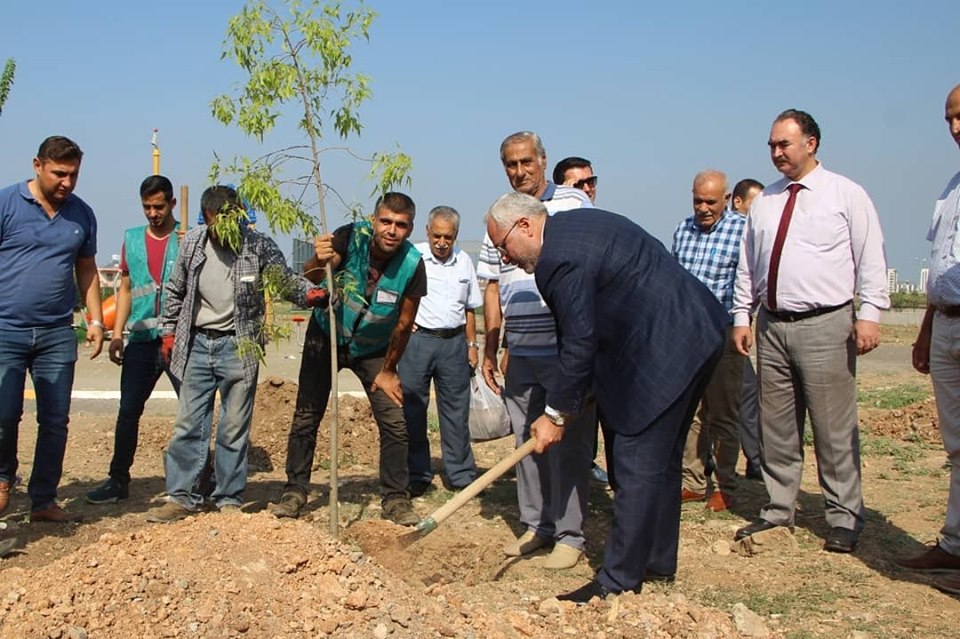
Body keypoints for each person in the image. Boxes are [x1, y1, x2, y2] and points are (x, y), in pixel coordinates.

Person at [485, 192, 726, 601]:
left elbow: (578, 340)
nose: (504, 257)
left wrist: (556, 412)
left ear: (524, 225)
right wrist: (578, 396)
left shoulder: (556, 260)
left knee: (634, 460)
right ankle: (657, 562)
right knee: (664, 462)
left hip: (665, 349)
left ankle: (617, 580)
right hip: (699, 330)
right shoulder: (578, 228)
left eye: (502, 245)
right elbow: (595, 325)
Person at [731, 109, 889, 553]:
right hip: (773, 326)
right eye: (772, 146)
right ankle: (780, 508)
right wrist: (742, 317)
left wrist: (870, 312)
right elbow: (749, 265)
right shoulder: (766, 201)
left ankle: (843, 516)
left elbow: (870, 255)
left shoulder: (845, 194)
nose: (777, 153)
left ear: (812, 143)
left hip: (826, 324)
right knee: (776, 426)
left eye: (784, 144)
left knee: (832, 428)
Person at [146, 185, 327, 522]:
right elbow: (175, 289)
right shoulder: (193, 243)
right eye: (218, 224)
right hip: (198, 344)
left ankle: (228, 498)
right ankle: (182, 496)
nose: (225, 230)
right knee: (188, 425)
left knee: (233, 427)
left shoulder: (257, 245)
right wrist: (168, 332)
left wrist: (311, 294)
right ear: (208, 219)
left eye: (232, 221)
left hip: (238, 345)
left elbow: (284, 280)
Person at [274, 193, 427, 526]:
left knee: (395, 424)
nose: (392, 231)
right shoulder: (350, 236)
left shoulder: (413, 264)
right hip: (326, 337)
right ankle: (295, 491)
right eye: (386, 221)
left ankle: (396, 498)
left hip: (373, 350)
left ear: (410, 228)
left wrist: (388, 370)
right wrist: (318, 259)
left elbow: (403, 324)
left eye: (401, 225)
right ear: (374, 220)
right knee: (306, 416)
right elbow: (313, 276)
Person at [479, 132, 595, 570]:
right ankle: (537, 525)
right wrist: (493, 345)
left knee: (567, 441)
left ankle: (570, 533)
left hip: (565, 349)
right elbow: (492, 285)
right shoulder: (498, 216)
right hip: (522, 349)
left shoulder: (572, 204)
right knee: (525, 439)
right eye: (510, 164)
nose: (519, 171)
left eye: (526, 161)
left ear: (543, 161)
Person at [0, 135, 104, 523]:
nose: (67, 182)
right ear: (37, 165)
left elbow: (87, 269)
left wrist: (95, 320)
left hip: (57, 333)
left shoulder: (82, 215)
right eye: (59, 173)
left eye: (74, 175)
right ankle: (3, 478)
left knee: (55, 419)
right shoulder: (6, 204)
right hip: (5, 330)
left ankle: (43, 499)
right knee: (4, 413)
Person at [895, 84, 960, 595]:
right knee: (956, 446)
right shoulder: (952, 188)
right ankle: (955, 543)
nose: (955, 127)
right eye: (948, 119)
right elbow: (939, 268)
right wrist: (926, 329)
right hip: (946, 322)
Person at [86, 175, 181, 504]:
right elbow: (125, 288)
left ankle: (199, 478)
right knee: (128, 411)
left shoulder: (187, 238)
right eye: (146, 207)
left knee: (192, 413)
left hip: (178, 341)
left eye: (158, 206)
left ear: (172, 204)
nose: (153, 213)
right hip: (141, 340)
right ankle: (117, 480)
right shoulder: (133, 239)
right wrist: (117, 334)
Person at [673, 171, 746, 512]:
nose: (703, 208)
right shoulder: (682, 231)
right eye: (697, 201)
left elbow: (748, 284)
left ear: (727, 199)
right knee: (691, 413)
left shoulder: (742, 231)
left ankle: (727, 485)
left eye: (710, 202)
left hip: (724, 335)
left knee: (723, 415)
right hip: (688, 337)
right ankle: (693, 482)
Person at [399, 206, 481, 494]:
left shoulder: (464, 263)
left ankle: (461, 475)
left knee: (456, 412)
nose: (442, 243)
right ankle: (418, 475)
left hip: (454, 345)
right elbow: (393, 291)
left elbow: (470, 308)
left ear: (456, 235)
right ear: (427, 232)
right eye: (437, 236)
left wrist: (472, 346)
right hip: (418, 344)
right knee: (413, 409)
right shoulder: (412, 257)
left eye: (448, 237)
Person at [553, 155, 609, 489]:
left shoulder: (603, 226)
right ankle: (580, 469)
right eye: (579, 184)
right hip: (576, 340)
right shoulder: (560, 231)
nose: (587, 189)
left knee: (608, 416)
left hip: (608, 341)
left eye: (592, 182)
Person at [730, 178, 765, 481]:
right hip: (720, 329)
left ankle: (755, 459)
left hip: (736, 328)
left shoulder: (753, 235)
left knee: (746, 397)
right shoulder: (740, 234)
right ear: (738, 202)